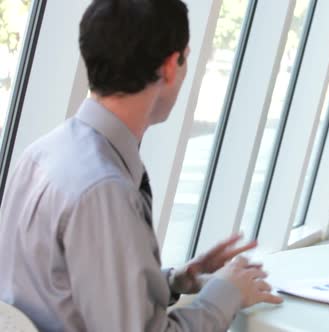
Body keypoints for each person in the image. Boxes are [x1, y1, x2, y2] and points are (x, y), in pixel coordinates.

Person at [0, 1, 282, 331]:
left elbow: (67, 293)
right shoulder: (105, 190)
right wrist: (227, 292)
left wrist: (174, 282)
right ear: (170, 66)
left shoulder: (42, 154)